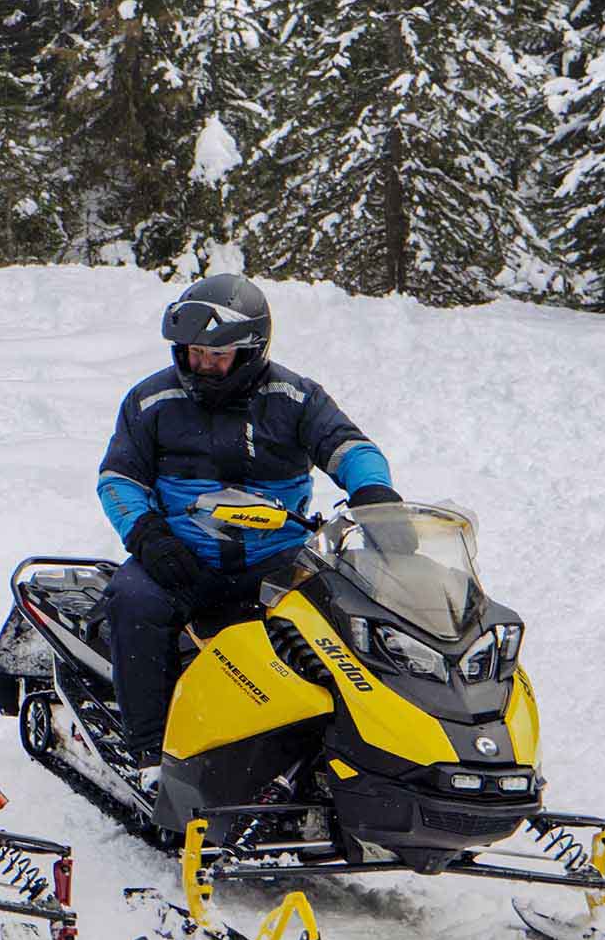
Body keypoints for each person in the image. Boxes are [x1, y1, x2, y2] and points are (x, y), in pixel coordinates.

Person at [93, 274, 397, 766]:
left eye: (216, 356)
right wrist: (149, 537)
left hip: (275, 559)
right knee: (133, 599)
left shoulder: (296, 398)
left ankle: (349, 745)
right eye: (193, 353)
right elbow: (119, 479)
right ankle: (149, 753)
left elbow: (350, 447)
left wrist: (374, 493)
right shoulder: (151, 401)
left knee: (348, 618)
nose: (201, 365)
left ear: (252, 350)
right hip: (181, 558)